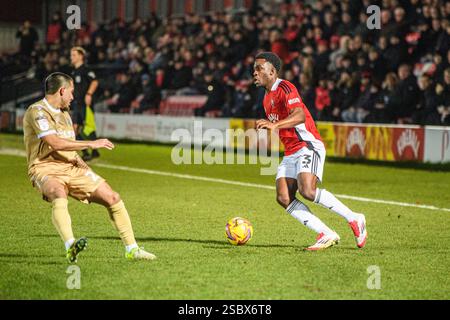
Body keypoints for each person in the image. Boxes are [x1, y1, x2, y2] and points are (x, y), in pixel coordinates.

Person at [22, 72, 156, 263]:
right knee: (58, 193)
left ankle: (132, 249)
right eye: (71, 92)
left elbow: (69, 148)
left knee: (112, 197)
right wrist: (91, 144)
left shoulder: (66, 116)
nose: (73, 97)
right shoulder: (37, 111)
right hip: (45, 168)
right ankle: (70, 246)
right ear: (61, 90)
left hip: (72, 167)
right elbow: (55, 143)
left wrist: (86, 168)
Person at [253, 52, 367, 251]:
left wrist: (275, 125)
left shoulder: (286, 87)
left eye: (258, 68)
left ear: (272, 71)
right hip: (290, 152)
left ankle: (354, 218)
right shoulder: (266, 97)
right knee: (283, 197)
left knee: (307, 190)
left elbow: (299, 116)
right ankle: (326, 233)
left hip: (308, 145)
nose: (254, 72)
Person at [70, 47, 100, 161]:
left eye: (73, 55)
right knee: (74, 129)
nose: (71, 57)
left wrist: (89, 94)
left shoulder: (86, 70)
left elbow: (95, 81)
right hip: (76, 104)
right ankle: (87, 152)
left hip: (85, 104)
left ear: (81, 56)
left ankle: (94, 150)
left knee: (88, 128)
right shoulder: (73, 72)